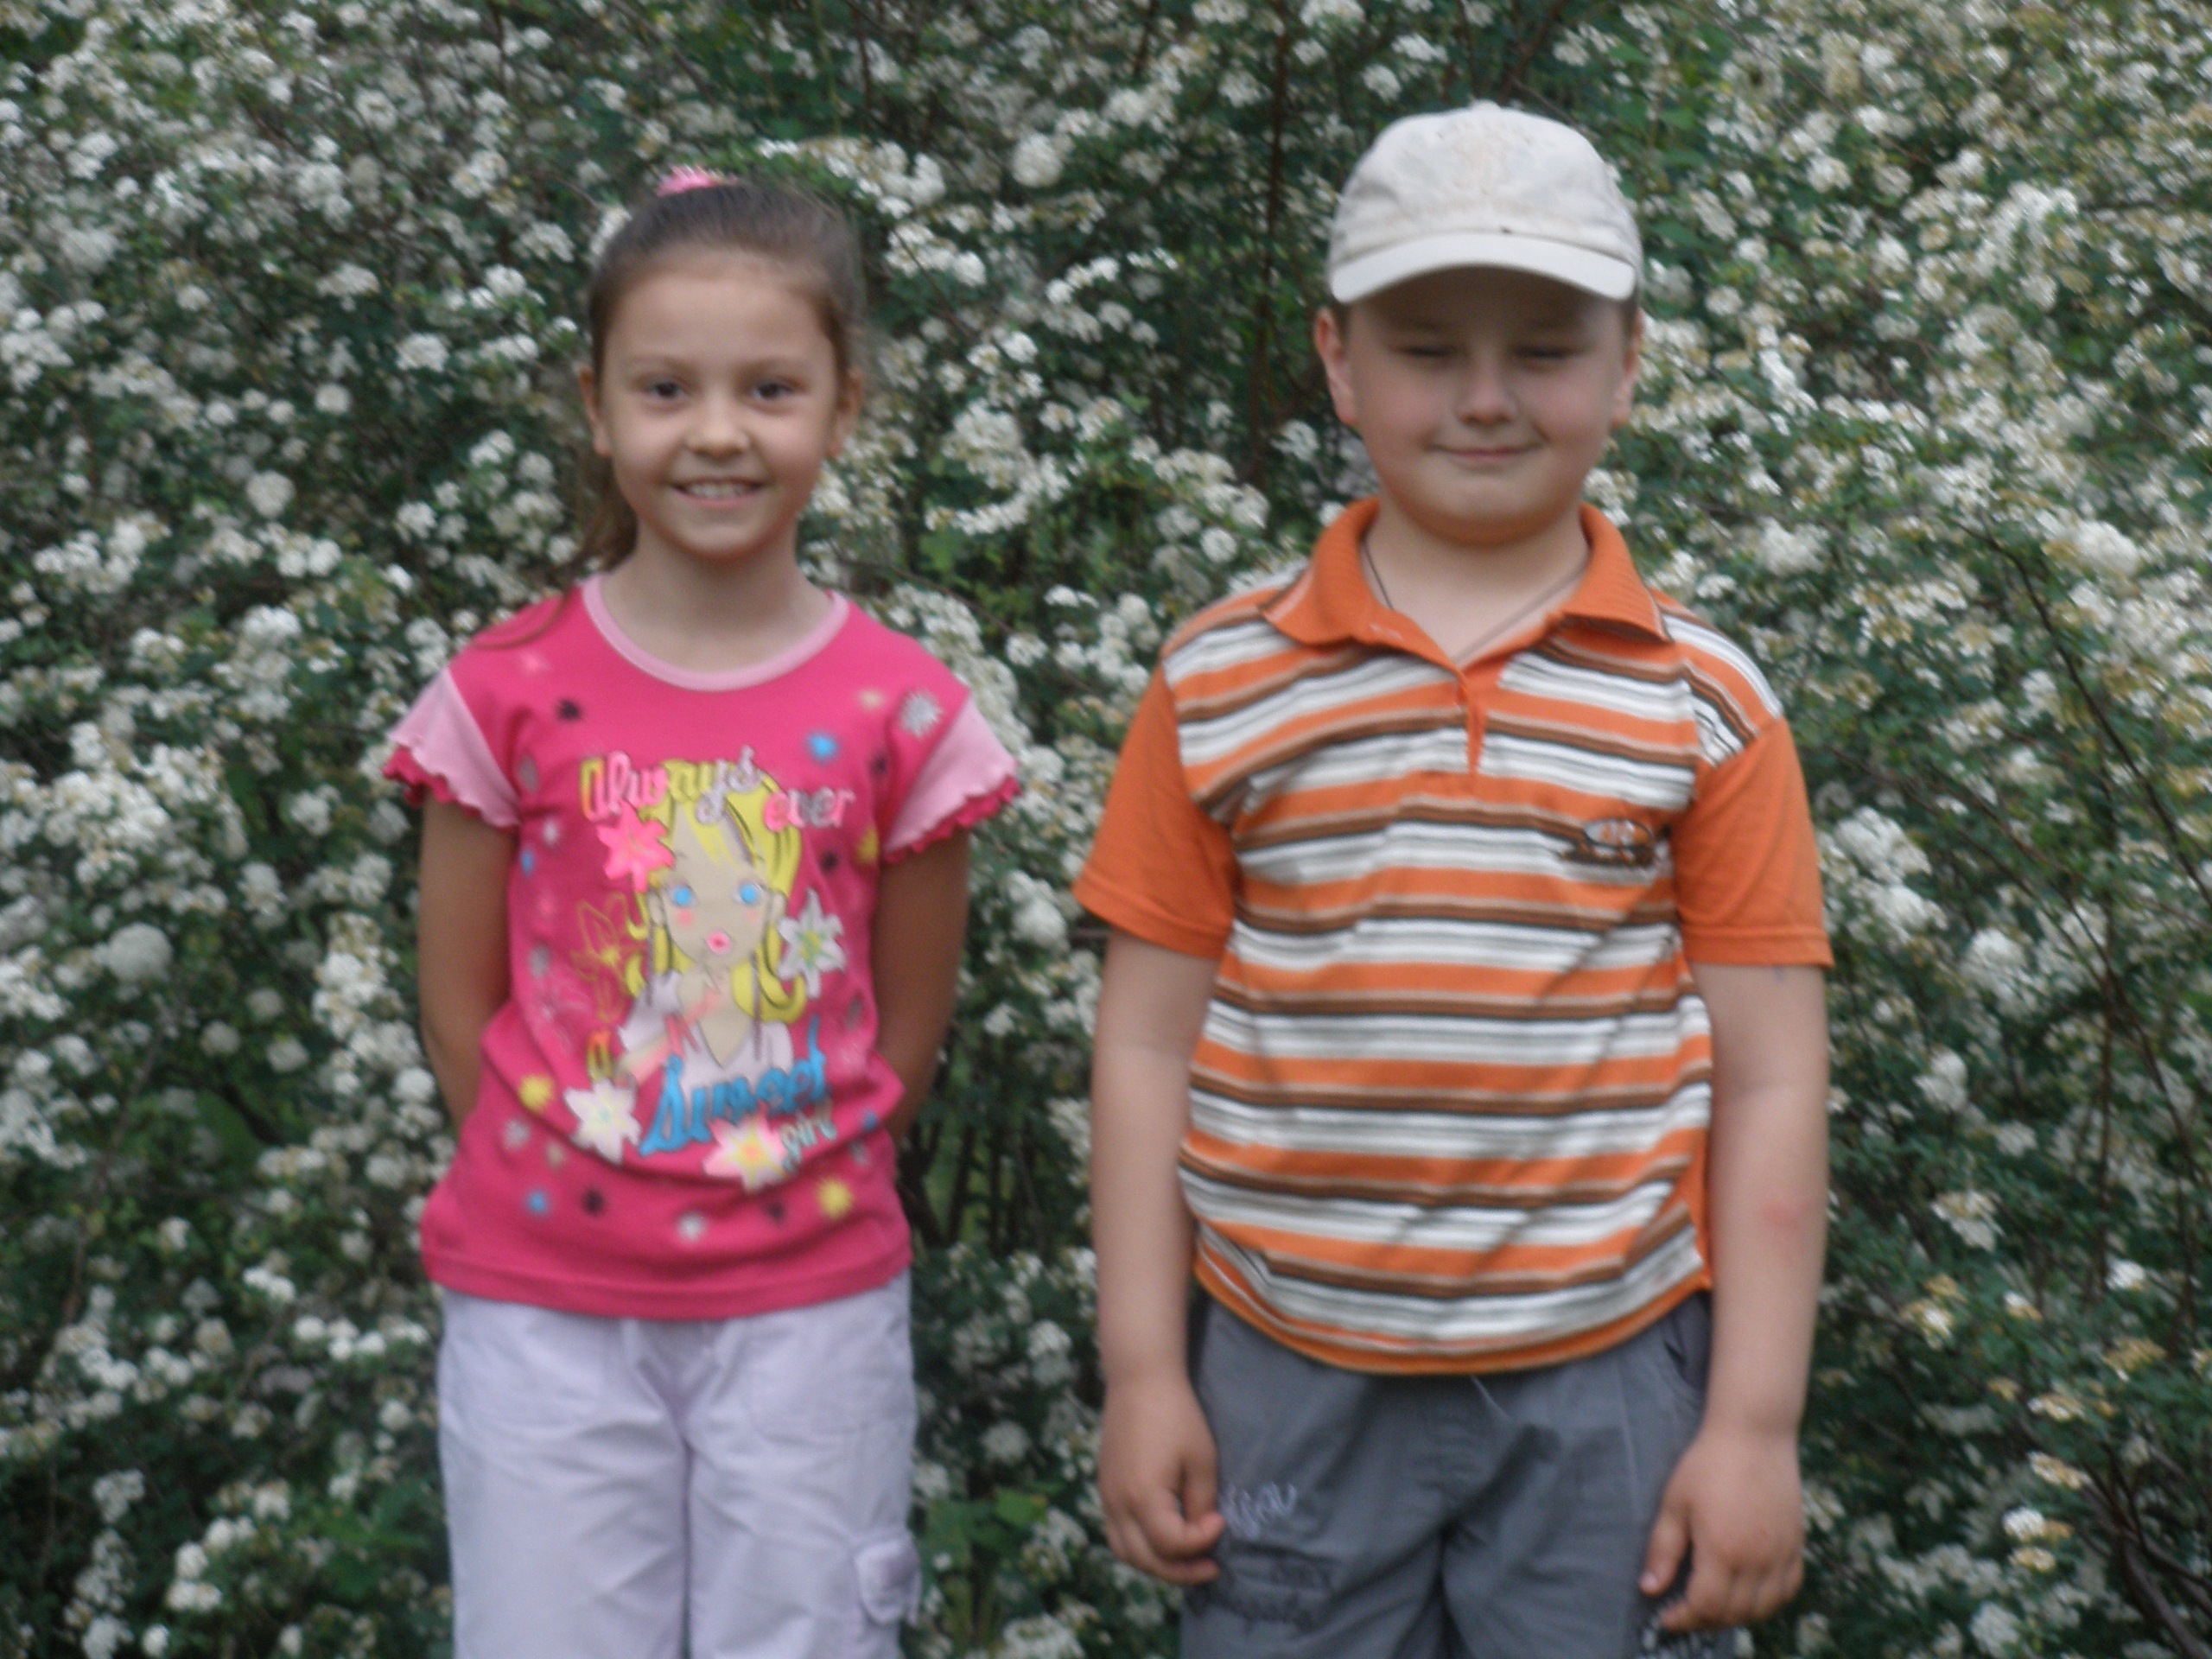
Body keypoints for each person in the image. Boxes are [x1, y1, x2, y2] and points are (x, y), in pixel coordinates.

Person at [1077, 102, 1832, 1658]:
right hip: (1281, 1371)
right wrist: (1145, 1371)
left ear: (1628, 361)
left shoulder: (1706, 704)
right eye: (1427, 350)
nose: (1485, 398)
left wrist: (1755, 1426)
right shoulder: (1217, 682)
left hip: (1609, 1381)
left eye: (1543, 350)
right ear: (1340, 362)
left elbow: (1772, 1080)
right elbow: (1146, 1047)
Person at [384, 169, 1018, 1659]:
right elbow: (458, 1006)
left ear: (843, 410)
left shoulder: (906, 713)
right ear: (597, 408)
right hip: (542, 1308)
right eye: (666, 388)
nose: (718, 432)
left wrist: (784, 1166)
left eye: (769, 389)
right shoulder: (505, 691)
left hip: (810, 1310)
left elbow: (907, 1025)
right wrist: (575, 1167)